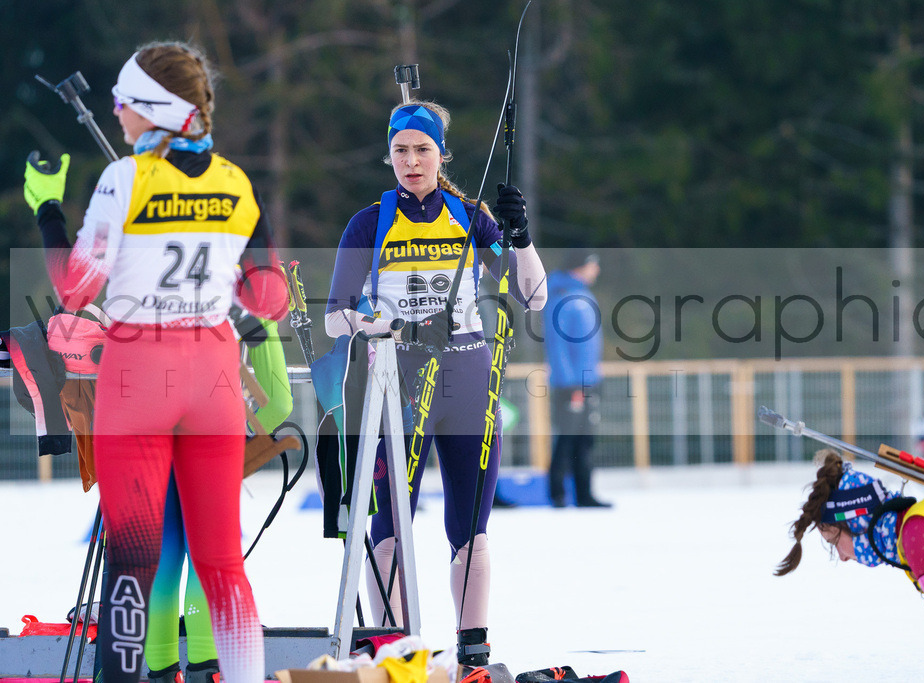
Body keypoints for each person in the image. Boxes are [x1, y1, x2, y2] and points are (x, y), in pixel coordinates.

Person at [22, 41, 287, 683]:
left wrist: (47, 210)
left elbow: (75, 288)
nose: (114, 110)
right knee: (222, 565)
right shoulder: (235, 181)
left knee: (134, 563)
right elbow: (269, 299)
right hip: (214, 372)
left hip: (139, 370)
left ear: (151, 108)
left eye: (123, 99)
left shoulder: (124, 178)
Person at [324, 99, 547, 666]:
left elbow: (533, 295)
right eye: (400, 150)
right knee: (389, 526)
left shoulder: (469, 216)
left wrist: (520, 236)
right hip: (396, 386)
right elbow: (334, 318)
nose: (411, 161)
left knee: (471, 529)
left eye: (422, 150)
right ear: (389, 156)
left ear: (441, 155)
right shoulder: (369, 222)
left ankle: (473, 654)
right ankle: (394, 653)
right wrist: (389, 326)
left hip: (469, 382)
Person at [777, 449, 924, 683]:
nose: (842, 557)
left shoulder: (918, 536)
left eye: (834, 543)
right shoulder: (922, 523)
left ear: (856, 521)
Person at [145, 311, 293, 683]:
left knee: (163, 560)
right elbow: (279, 403)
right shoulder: (245, 306)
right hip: (210, 438)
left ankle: (161, 672)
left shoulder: (146, 297)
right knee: (207, 561)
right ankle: (204, 670)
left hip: (148, 436)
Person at [543, 252, 610, 508]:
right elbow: (557, 345)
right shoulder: (561, 296)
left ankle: (584, 494)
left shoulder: (582, 295)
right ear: (579, 267)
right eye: (593, 265)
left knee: (585, 439)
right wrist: (571, 383)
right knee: (567, 437)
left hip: (588, 380)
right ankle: (557, 493)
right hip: (571, 384)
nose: (596, 270)